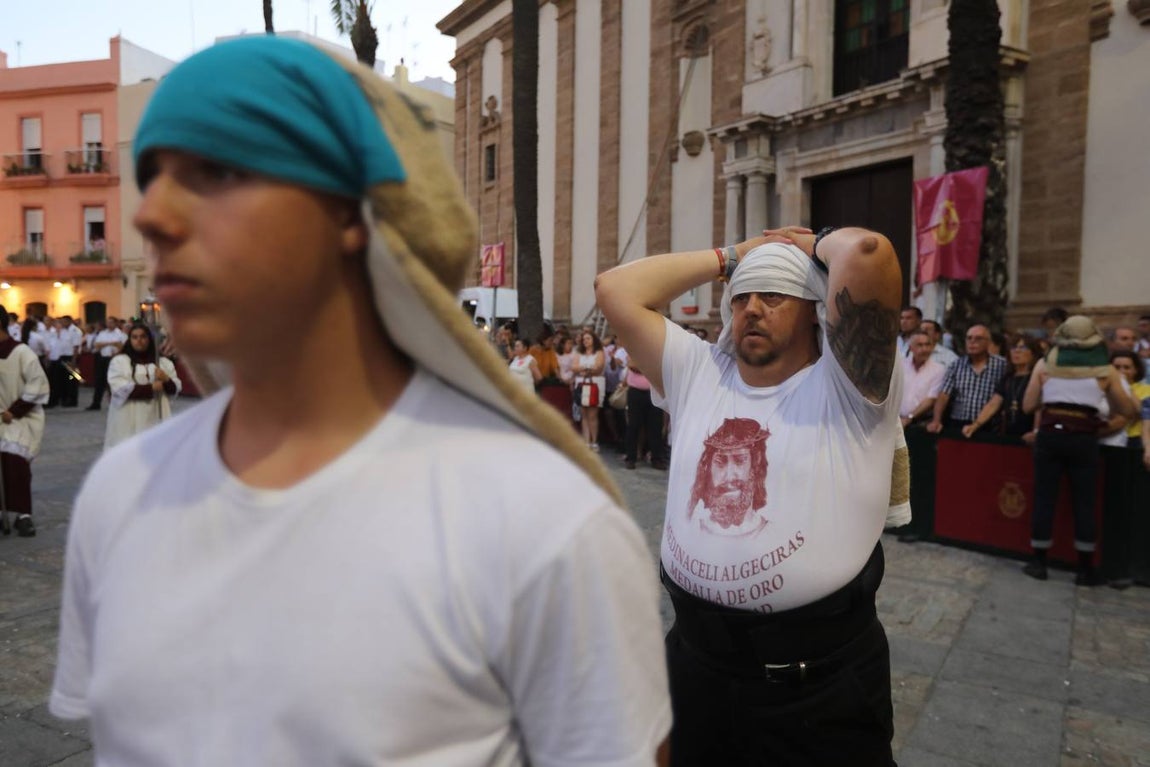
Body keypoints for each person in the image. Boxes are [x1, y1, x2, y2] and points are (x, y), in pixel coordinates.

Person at [50, 37, 670, 766]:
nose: (150, 214)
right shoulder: (122, 490)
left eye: (218, 170)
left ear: (351, 212)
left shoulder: (542, 524)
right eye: (151, 177)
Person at [596, 223, 905, 766]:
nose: (752, 309)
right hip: (696, 666)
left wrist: (810, 244)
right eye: (741, 298)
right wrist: (734, 255)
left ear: (814, 310)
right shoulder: (699, 374)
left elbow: (867, 253)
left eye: (774, 296)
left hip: (815, 692)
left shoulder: (846, 390)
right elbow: (614, 288)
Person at [1021, 316, 1138, 585]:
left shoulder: (1044, 364)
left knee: (1044, 498)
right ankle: (1085, 569)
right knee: (1085, 503)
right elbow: (1126, 409)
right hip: (1084, 439)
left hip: (1049, 437)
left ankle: (1039, 563)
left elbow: (1028, 405)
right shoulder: (1105, 370)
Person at [0, 305, 50, 537]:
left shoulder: (21, 352)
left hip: (18, 420)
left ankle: (23, 515)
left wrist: (15, 410)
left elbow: (38, 384)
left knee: (16, 465)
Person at [103, 323, 182, 450]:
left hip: (155, 414)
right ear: (130, 340)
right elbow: (118, 388)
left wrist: (166, 380)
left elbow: (175, 388)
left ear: (149, 339)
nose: (139, 341)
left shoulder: (163, 363)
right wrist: (150, 388)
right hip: (128, 416)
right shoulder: (119, 362)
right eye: (135, 337)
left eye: (143, 337)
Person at [926, 324, 1008, 433]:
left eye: (978, 338)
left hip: (990, 425)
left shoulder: (1002, 365)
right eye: (969, 338)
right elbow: (944, 395)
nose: (972, 342)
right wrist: (936, 420)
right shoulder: (956, 365)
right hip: (958, 423)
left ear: (988, 342)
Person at [961, 334, 1041, 441]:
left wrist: (1036, 431)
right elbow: (993, 403)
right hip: (1008, 433)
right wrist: (975, 425)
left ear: (1033, 353)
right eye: (1014, 347)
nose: (1016, 351)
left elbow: (1039, 407)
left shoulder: (1036, 377)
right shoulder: (1008, 378)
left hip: (1030, 434)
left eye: (1023, 347)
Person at [899, 329, 946, 428]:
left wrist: (909, 418)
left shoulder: (939, 370)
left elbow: (931, 399)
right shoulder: (900, 365)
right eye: (920, 345)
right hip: (896, 420)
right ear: (911, 348)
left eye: (927, 345)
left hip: (921, 422)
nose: (924, 349)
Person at [574, 329, 607, 451]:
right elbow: (574, 367)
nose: (585, 341)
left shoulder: (599, 352)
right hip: (581, 384)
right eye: (584, 339)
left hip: (595, 384)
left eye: (588, 338)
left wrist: (583, 369)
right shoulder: (579, 353)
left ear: (594, 340)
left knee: (593, 414)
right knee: (584, 413)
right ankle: (586, 441)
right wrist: (588, 368)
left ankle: (594, 441)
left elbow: (598, 367)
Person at [86, 317, 127, 411]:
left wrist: (105, 344)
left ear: (116, 323)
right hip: (102, 358)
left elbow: (122, 346)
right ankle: (96, 403)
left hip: (114, 359)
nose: (109, 324)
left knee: (113, 381)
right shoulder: (102, 333)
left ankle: (115, 402)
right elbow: (97, 345)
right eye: (108, 322)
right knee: (99, 381)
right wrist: (112, 343)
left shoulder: (120, 334)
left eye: (111, 322)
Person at [1111, 350, 1150, 451]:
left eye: (1127, 367)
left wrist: (1125, 386)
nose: (1121, 371)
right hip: (1110, 437)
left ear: (1136, 370)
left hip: (1136, 439)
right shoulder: (1105, 389)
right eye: (1117, 367)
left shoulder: (1146, 389)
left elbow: (1140, 412)